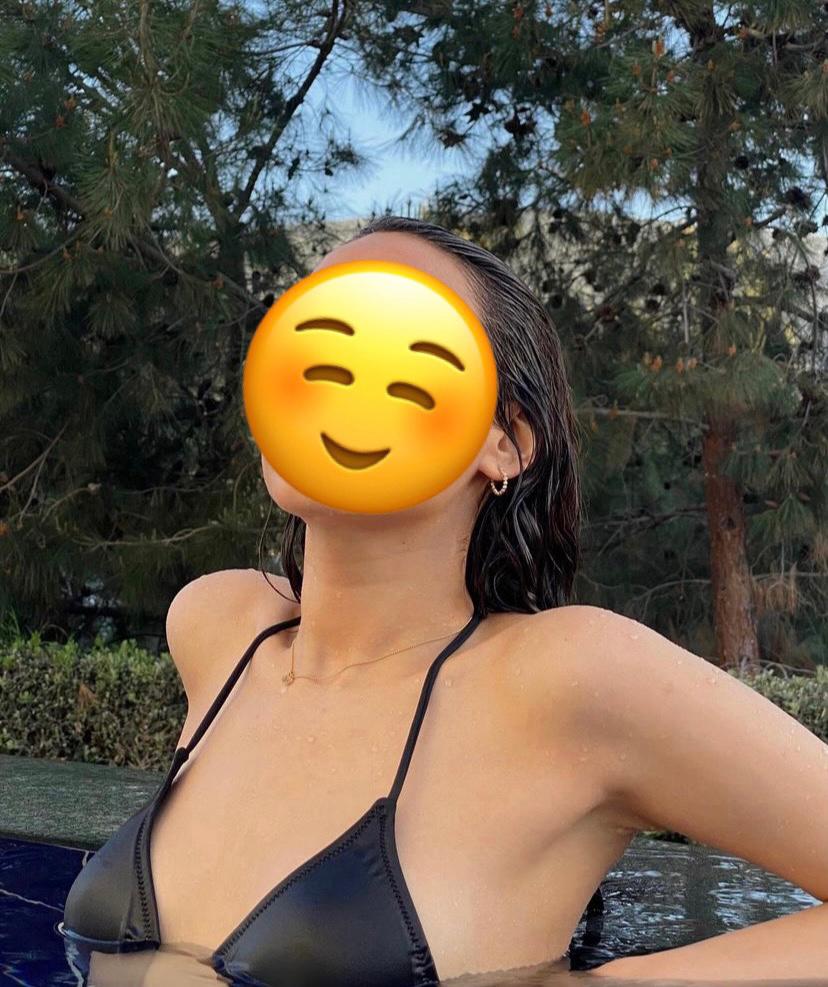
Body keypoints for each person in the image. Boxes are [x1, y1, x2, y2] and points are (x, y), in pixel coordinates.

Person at [61, 216, 828, 986]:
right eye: (314, 327)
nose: (336, 372)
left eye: (399, 336)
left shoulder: (567, 680)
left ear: (506, 441)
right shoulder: (219, 627)